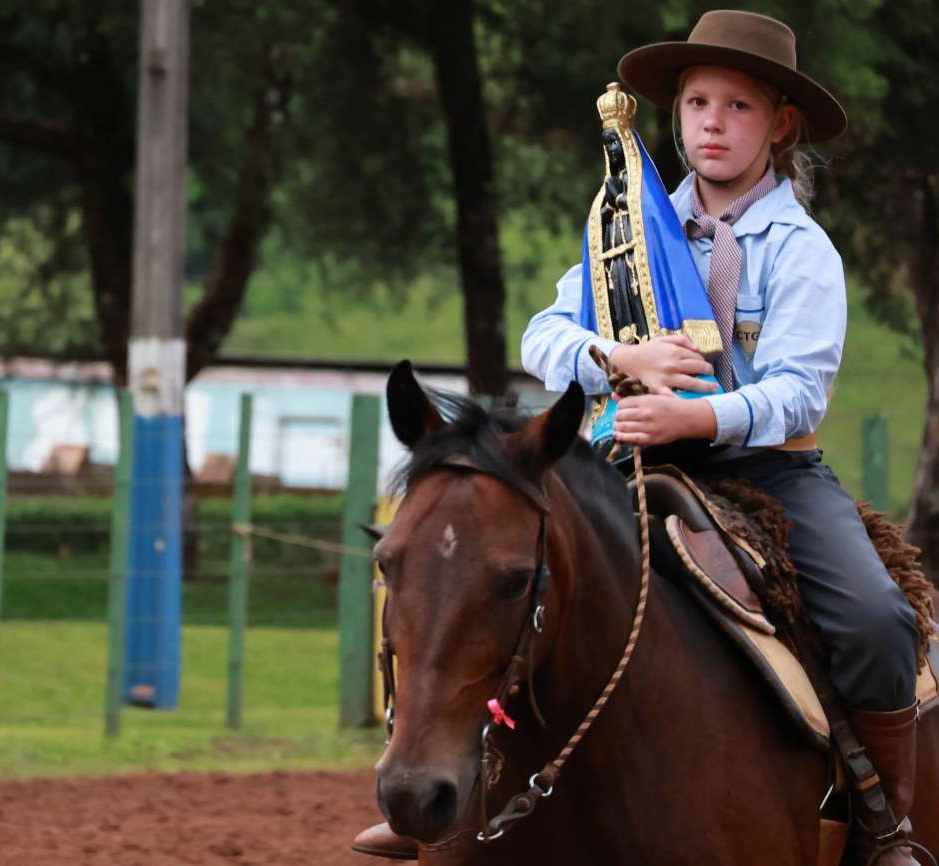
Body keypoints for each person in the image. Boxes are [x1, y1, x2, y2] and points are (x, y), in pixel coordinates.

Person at [353, 10, 928, 863]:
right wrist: (616, 355)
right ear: (676, 116)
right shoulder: (625, 225)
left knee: (877, 619)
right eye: (698, 103)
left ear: (780, 124)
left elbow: (799, 394)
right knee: (499, 585)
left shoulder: (802, 250)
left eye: (738, 106)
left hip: (767, 472)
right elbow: (543, 335)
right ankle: (452, 789)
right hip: (619, 460)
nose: (713, 123)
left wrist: (694, 413)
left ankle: (887, 823)